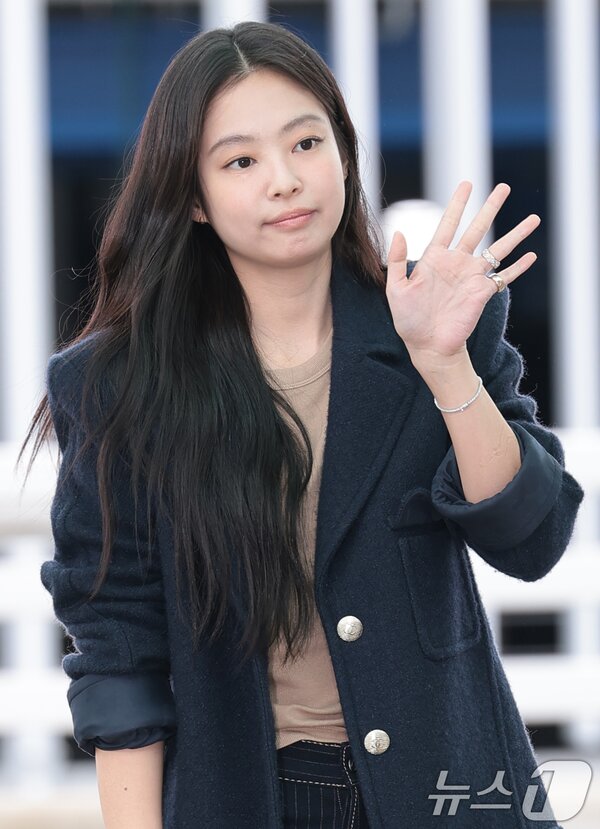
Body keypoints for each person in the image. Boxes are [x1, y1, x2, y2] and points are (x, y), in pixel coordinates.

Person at [21, 19, 584, 829]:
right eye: (241, 162)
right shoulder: (120, 383)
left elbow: (533, 538)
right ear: (194, 198)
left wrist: (445, 366)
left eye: (306, 144)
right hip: (253, 799)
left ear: (344, 153)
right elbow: (118, 653)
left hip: (450, 793)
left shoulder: (428, 322)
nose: (285, 181)